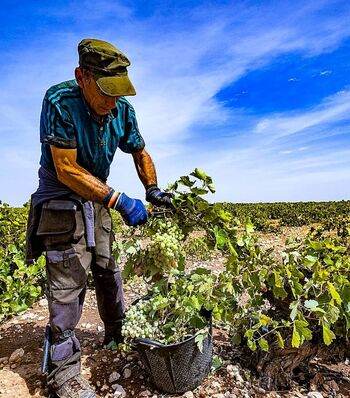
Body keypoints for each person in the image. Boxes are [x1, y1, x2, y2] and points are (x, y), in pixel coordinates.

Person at [25, 38, 173, 398]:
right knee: (69, 280)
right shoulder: (60, 100)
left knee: (108, 270)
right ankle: (63, 371)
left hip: (99, 195)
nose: (112, 102)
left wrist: (151, 188)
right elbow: (65, 168)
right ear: (82, 76)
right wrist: (120, 200)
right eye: (106, 91)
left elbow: (139, 150)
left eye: (118, 92)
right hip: (62, 195)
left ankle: (115, 334)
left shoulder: (121, 110)